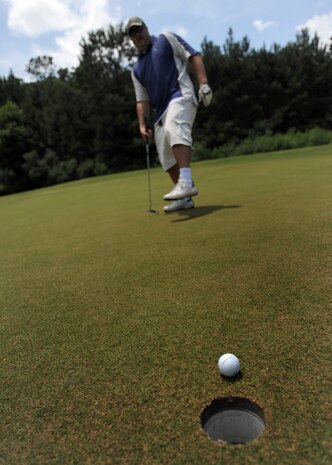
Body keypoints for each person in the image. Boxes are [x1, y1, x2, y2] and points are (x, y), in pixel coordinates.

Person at [126, 17, 212, 212]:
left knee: (175, 129)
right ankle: (185, 199)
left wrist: (204, 83)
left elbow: (193, 56)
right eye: (132, 33)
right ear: (130, 39)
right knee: (165, 154)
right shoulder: (136, 69)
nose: (137, 34)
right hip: (160, 111)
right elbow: (142, 100)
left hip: (181, 95)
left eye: (139, 29)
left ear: (146, 28)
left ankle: (187, 182)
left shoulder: (166, 39)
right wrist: (142, 124)